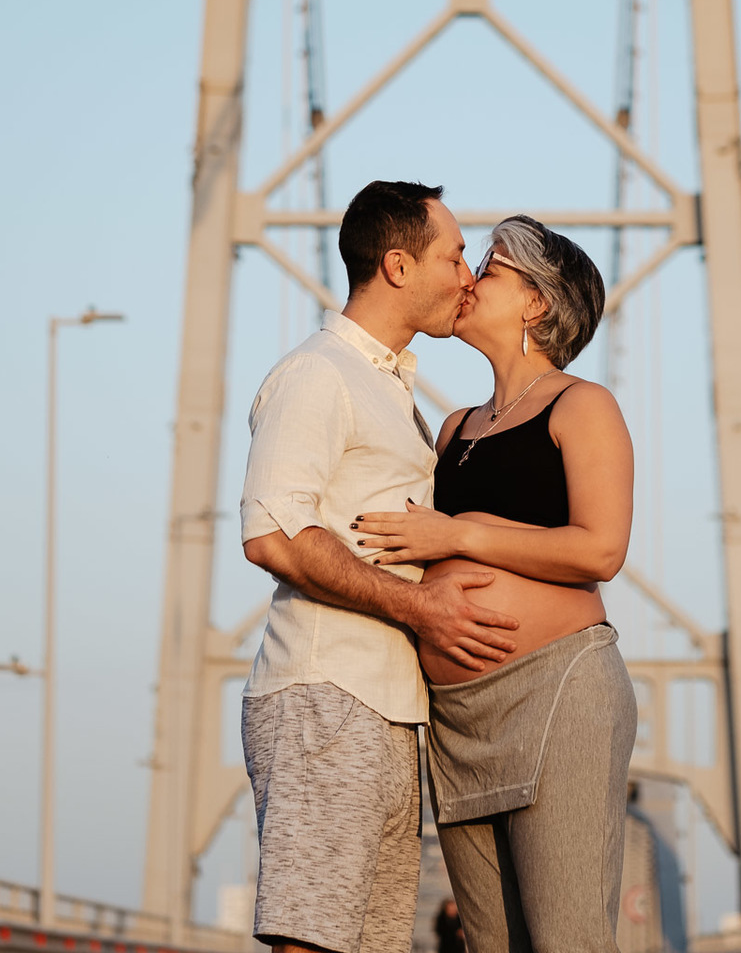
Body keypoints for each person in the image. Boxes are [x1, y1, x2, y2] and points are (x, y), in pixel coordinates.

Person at [239, 180, 521, 953]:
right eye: (456, 254)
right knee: (315, 939)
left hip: (393, 711)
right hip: (327, 698)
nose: (469, 274)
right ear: (398, 266)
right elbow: (274, 534)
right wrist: (419, 607)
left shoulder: (391, 389)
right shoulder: (317, 374)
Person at [353, 215, 637, 953]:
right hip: (459, 717)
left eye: (494, 269)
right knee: (491, 947)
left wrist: (460, 532)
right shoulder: (451, 430)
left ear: (537, 303)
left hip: (558, 695)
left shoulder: (583, 405)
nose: (472, 280)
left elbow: (600, 550)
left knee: (567, 940)